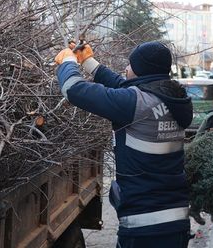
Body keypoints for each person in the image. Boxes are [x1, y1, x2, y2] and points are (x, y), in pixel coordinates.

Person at [54, 41, 193, 248]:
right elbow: (124, 87)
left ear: (140, 70)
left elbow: (74, 90)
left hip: (144, 226)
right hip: (176, 221)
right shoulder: (173, 98)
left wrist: (68, 62)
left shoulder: (135, 104)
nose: (126, 69)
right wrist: (90, 63)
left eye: (130, 65)